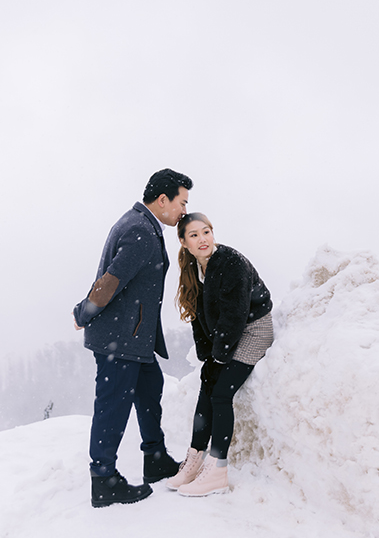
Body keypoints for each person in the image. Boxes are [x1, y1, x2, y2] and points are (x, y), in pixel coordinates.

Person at [73, 168, 193, 508]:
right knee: (112, 406)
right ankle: (104, 480)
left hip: (133, 338)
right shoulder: (140, 230)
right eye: (182, 202)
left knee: (150, 388)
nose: (184, 210)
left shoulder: (143, 224)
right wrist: (83, 313)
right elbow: (111, 281)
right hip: (119, 338)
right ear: (162, 199)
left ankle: (155, 458)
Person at [165, 212, 274, 497]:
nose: (203, 239)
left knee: (221, 393)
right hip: (228, 333)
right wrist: (207, 357)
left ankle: (217, 470)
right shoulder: (194, 269)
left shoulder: (230, 263)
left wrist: (220, 357)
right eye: (194, 235)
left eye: (206, 232)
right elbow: (198, 317)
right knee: (207, 386)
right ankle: (194, 460)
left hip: (253, 330)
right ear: (183, 242)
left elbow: (234, 316)